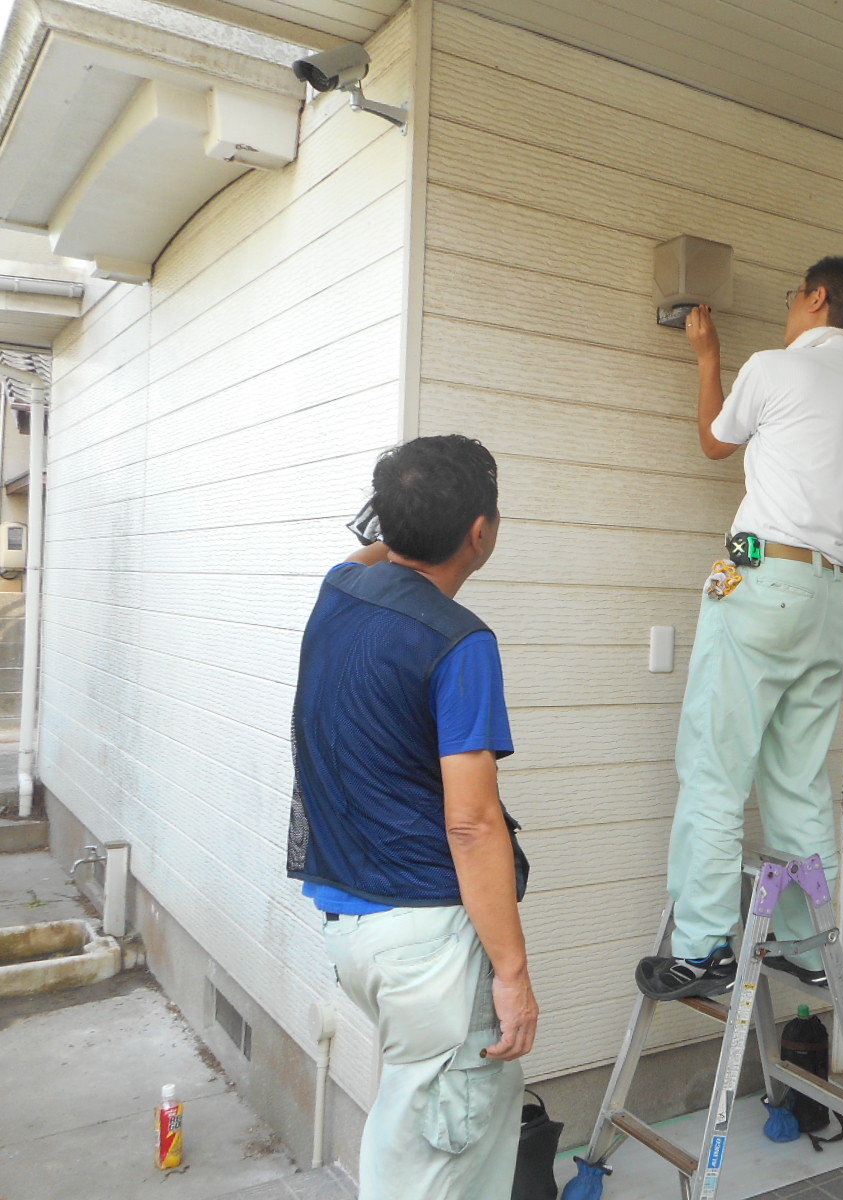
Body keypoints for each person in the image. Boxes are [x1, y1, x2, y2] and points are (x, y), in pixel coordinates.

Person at [635, 256, 843, 1001]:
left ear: (816, 299)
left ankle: (702, 950)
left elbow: (716, 441)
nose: (789, 309)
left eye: (793, 297)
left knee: (716, 770)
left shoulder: (774, 368)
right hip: (831, 598)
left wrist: (707, 357)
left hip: (762, 581)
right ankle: (808, 945)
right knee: (798, 778)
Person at [286, 435, 538, 1199]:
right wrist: (512, 976)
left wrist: (396, 521)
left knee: (429, 1151)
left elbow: (369, 556)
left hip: (354, 931)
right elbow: (472, 824)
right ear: (480, 533)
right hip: (429, 944)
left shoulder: (339, 592)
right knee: (434, 1170)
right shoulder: (460, 644)